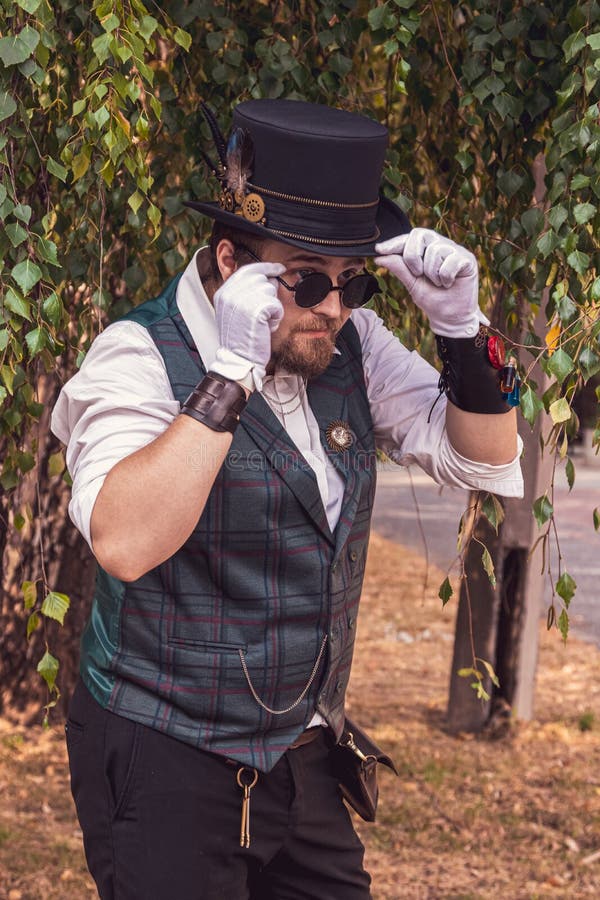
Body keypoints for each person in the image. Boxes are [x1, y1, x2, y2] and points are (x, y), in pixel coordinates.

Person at [51, 99, 523, 900]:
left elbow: (482, 458)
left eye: (354, 284)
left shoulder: (348, 345)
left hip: (302, 756)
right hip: (165, 754)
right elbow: (124, 541)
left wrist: (466, 334)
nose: (334, 309)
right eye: (307, 280)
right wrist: (230, 376)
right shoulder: (137, 354)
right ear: (234, 263)